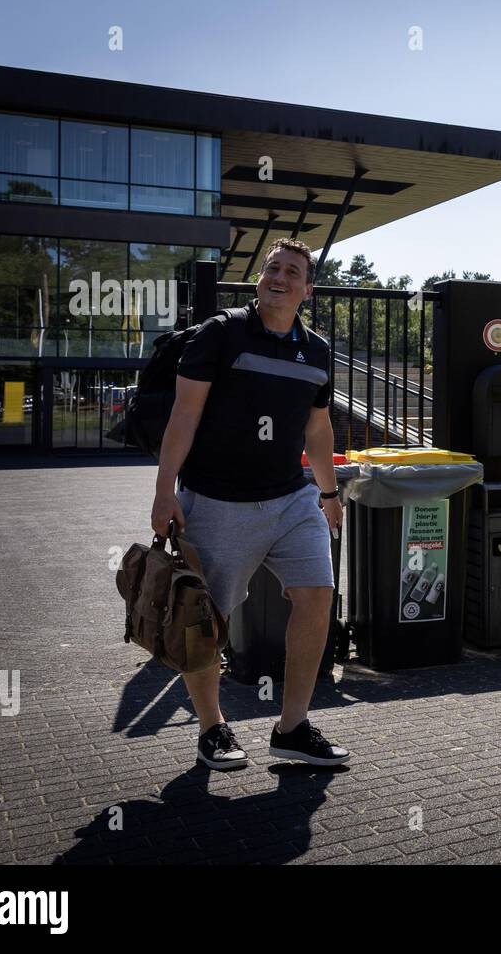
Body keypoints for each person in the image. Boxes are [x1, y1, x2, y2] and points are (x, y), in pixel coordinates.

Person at [150, 237, 349, 771]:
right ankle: (212, 729)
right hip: (216, 502)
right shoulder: (222, 333)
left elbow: (317, 426)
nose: (279, 278)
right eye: (272, 269)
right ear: (261, 278)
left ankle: (292, 728)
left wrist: (328, 493)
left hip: (291, 498)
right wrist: (164, 489)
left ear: (307, 289)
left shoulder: (317, 350)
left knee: (317, 595)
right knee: (203, 619)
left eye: (292, 272)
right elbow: (184, 415)